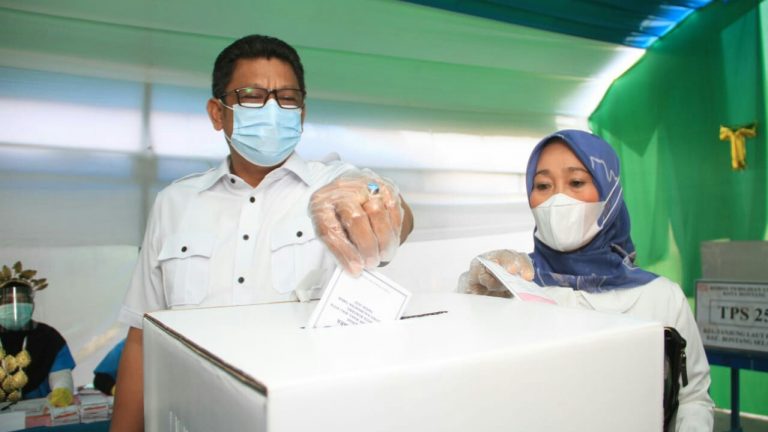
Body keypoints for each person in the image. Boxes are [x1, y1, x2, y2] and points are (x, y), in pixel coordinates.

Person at [111, 35, 413, 432]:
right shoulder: (174, 203)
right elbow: (141, 336)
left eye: (287, 98)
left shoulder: (332, 184)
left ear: (301, 113)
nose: (272, 109)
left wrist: (376, 196)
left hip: (308, 419)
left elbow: (393, 210)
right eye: (252, 97)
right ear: (217, 113)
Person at [458, 130, 714, 431]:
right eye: (543, 186)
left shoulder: (660, 296)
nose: (558, 199)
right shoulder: (510, 287)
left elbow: (693, 398)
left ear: (609, 194)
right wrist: (474, 299)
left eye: (577, 182)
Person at [0, 262, 75, 407]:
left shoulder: (49, 337)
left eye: (22, 300)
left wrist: (62, 392)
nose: (15, 305)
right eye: (8, 301)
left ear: (32, 305)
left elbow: (60, 375)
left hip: (41, 410)